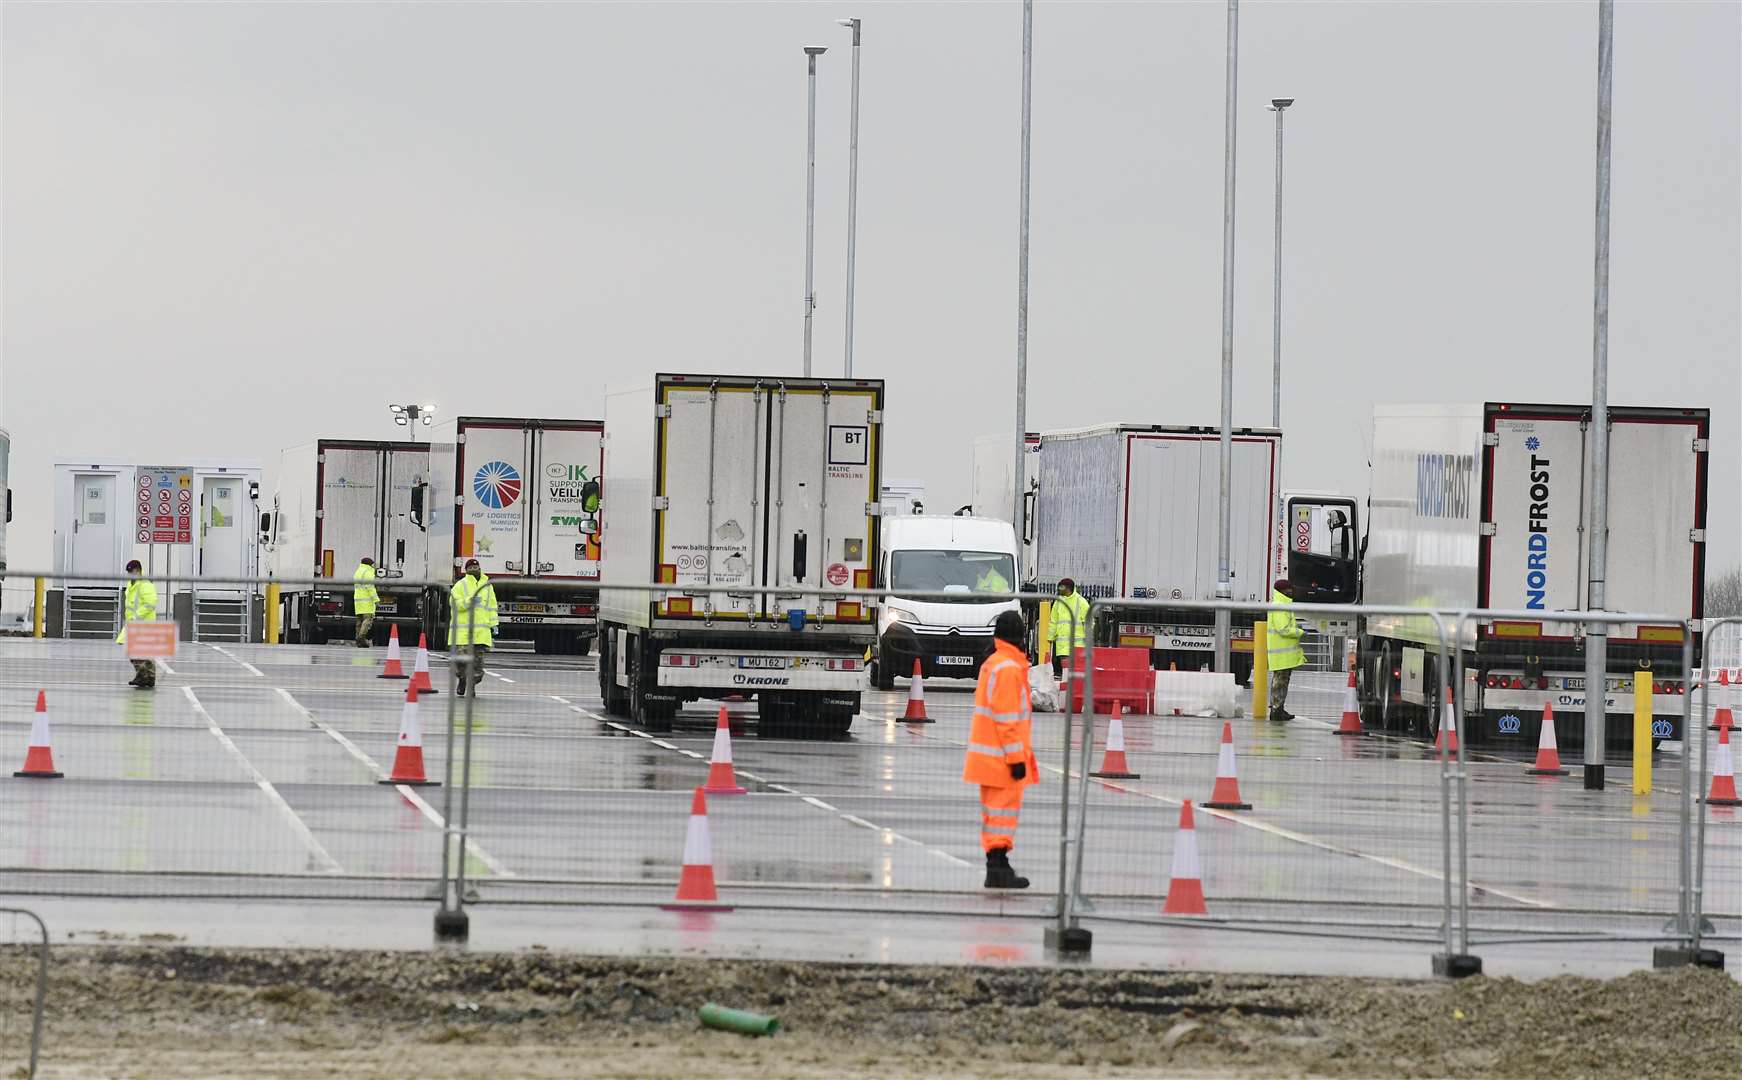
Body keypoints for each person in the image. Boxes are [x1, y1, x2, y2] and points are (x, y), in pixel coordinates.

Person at [962, 610, 1039, 889]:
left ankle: (997, 865)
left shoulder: (994, 663)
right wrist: (1017, 758)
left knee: (994, 815)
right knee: (1002, 814)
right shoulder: (1007, 668)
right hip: (1002, 758)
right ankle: (998, 867)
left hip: (989, 756)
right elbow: (1007, 719)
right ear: (1020, 636)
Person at [449, 558, 499, 694]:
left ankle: (472, 685)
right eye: (470, 568)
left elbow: (492, 607)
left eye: (476, 568)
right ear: (466, 570)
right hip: (462, 634)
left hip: (480, 634)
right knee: (460, 662)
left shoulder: (487, 586)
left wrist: (494, 624)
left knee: (477, 665)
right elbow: (455, 604)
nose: (474, 570)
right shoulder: (460, 585)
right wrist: (469, 601)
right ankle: (462, 679)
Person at [1267, 579, 1306, 721]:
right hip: (1281, 654)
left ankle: (1279, 709)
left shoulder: (1283, 605)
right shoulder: (1280, 606)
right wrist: (1299, 632)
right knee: (1280, 682)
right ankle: (1276, 711)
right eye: (1288, 589)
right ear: (1282, 591)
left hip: (1284, 654)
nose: (1291, 591)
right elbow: (1283, 629)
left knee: (1281, 682)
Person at [118, 560, 158, 690]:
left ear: (138, 570)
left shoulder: (145, 585)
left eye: (132, 571)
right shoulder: (131, 585)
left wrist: (137, 616)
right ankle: (144, 677)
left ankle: (147, 677)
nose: (130, 574)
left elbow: (150, 603)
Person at [1048, 577, 1090, 680]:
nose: (1059, 589)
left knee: (1072, 675)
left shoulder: (1081, 602)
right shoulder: (1058, 602)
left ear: (1068, 588)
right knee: (1066, 674)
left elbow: (1089, 622)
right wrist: (1050, 638)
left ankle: (1069, 693)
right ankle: (1066, 693)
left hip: (1077, 647)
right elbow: (1053, 621)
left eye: (1061, 587)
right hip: (1062, 648)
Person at [352, 557, 380, 648]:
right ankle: (361, 638)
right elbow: (370, 587)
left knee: (359, 621)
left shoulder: (358, 572)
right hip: (367, 601)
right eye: (372, 564)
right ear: (369, 564)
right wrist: (376, 600)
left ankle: (358, 639)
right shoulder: (368, 573)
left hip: (358, 600)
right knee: (367, 620)